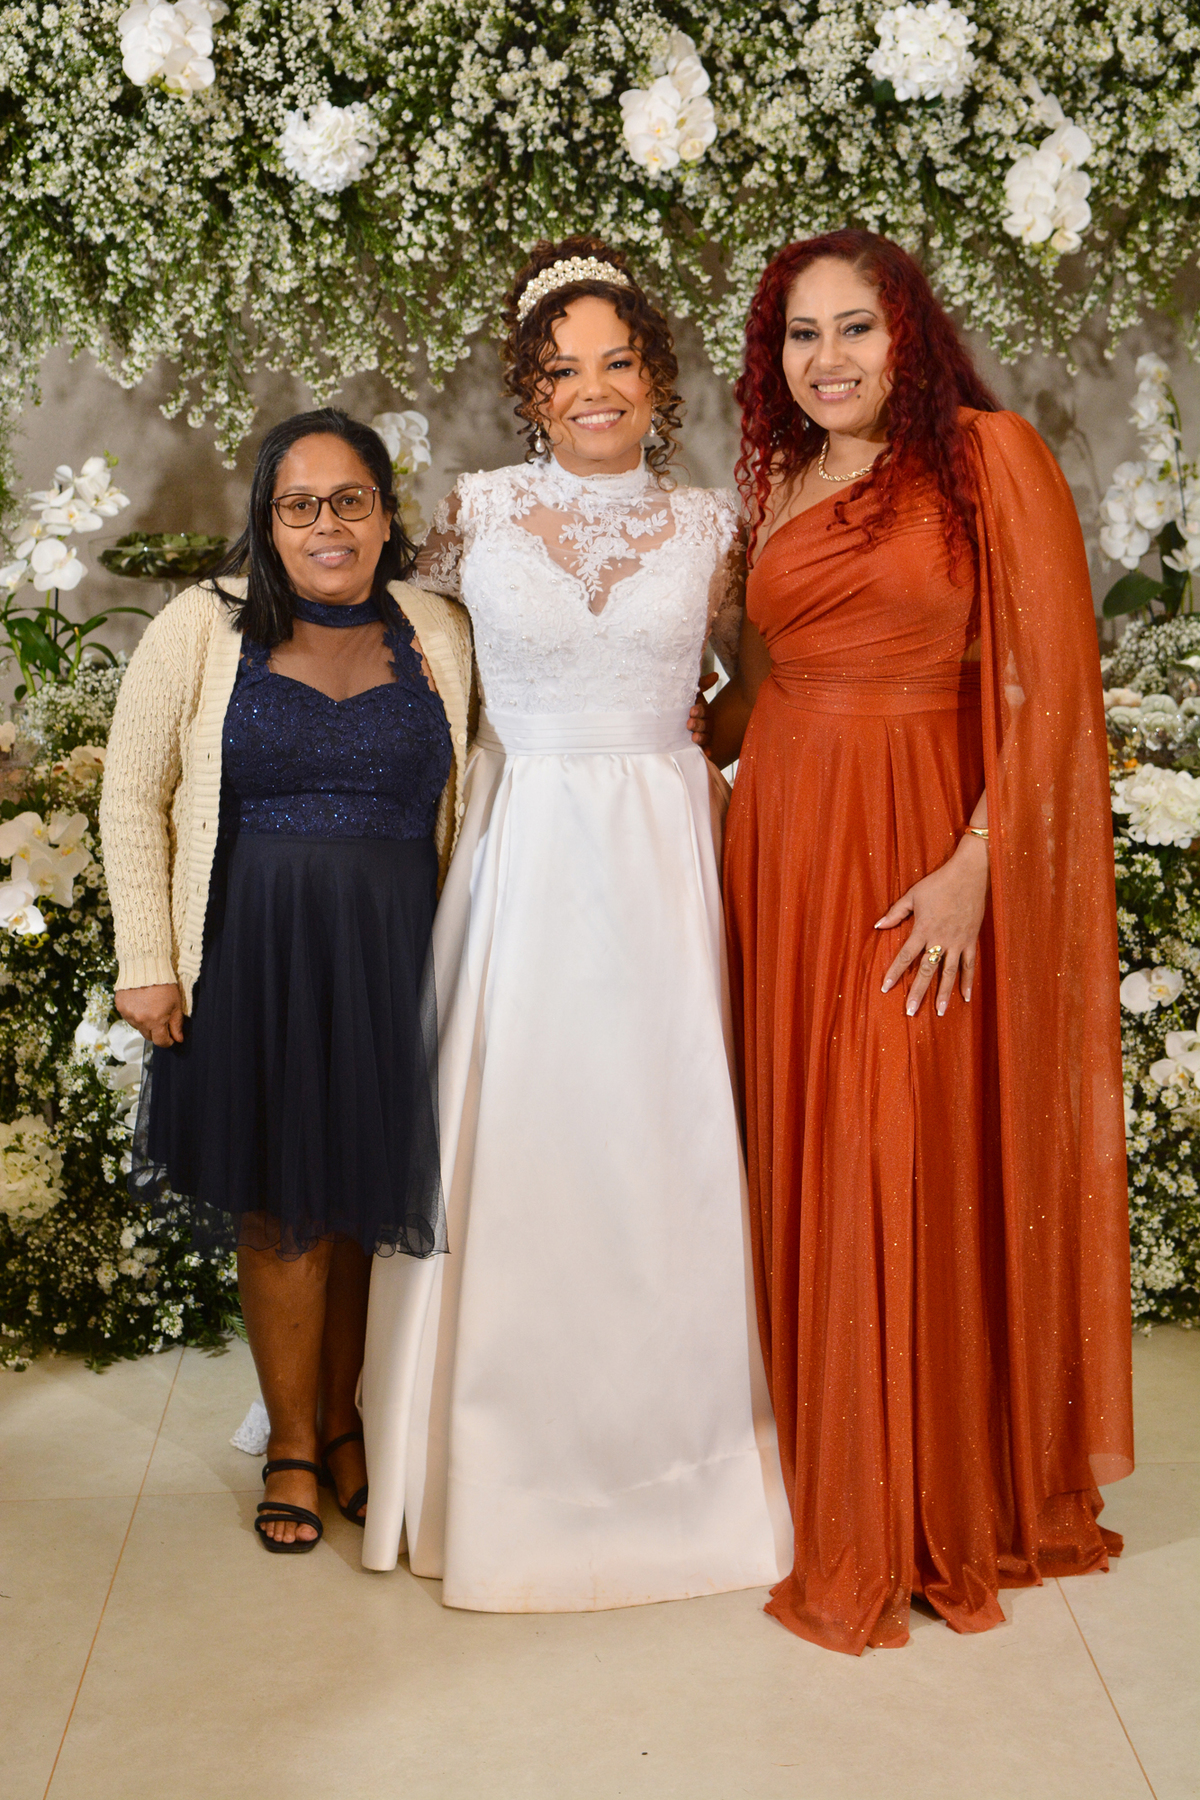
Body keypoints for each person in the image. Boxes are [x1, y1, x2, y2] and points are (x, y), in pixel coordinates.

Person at [702, 230, 1134, 1654]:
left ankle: (920, 1503)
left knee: (899, 1146)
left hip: (924, 842)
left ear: (913, 339)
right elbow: (755, 686)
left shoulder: (990, 459)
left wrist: (978, 863)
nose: (827, 359)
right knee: (814, 1143)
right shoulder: (780, 482)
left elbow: (1049, 688)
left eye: (856, 328)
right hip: (789, 842)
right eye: (800, 334)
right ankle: (843, 1478)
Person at [360, 236, 791, 1609]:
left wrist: (694, 759)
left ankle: (684, 1452)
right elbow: (417, 667)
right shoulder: (471, 513)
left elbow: (749, 689)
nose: (593, 389)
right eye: (562, 370)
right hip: (526, 843)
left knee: (664, 1130)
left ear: (657, 379)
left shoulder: (716, 526)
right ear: (529, 391)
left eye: (617, 363)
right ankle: (498, 1452)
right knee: (528, 1128)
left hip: (665, 846)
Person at [100, 408, 473, 1553]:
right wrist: (148, 962)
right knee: (281, 1205)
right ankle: (294, 1445)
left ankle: (351, 1425)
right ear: (267, 523)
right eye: (299, 505)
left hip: (397, 952)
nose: (327, 525)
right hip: (253, 952)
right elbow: (133, 793)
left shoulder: (440, 629)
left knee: (366, 1200)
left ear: (386, 515)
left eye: (349, 500)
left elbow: (496, 768)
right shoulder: (201, 626)